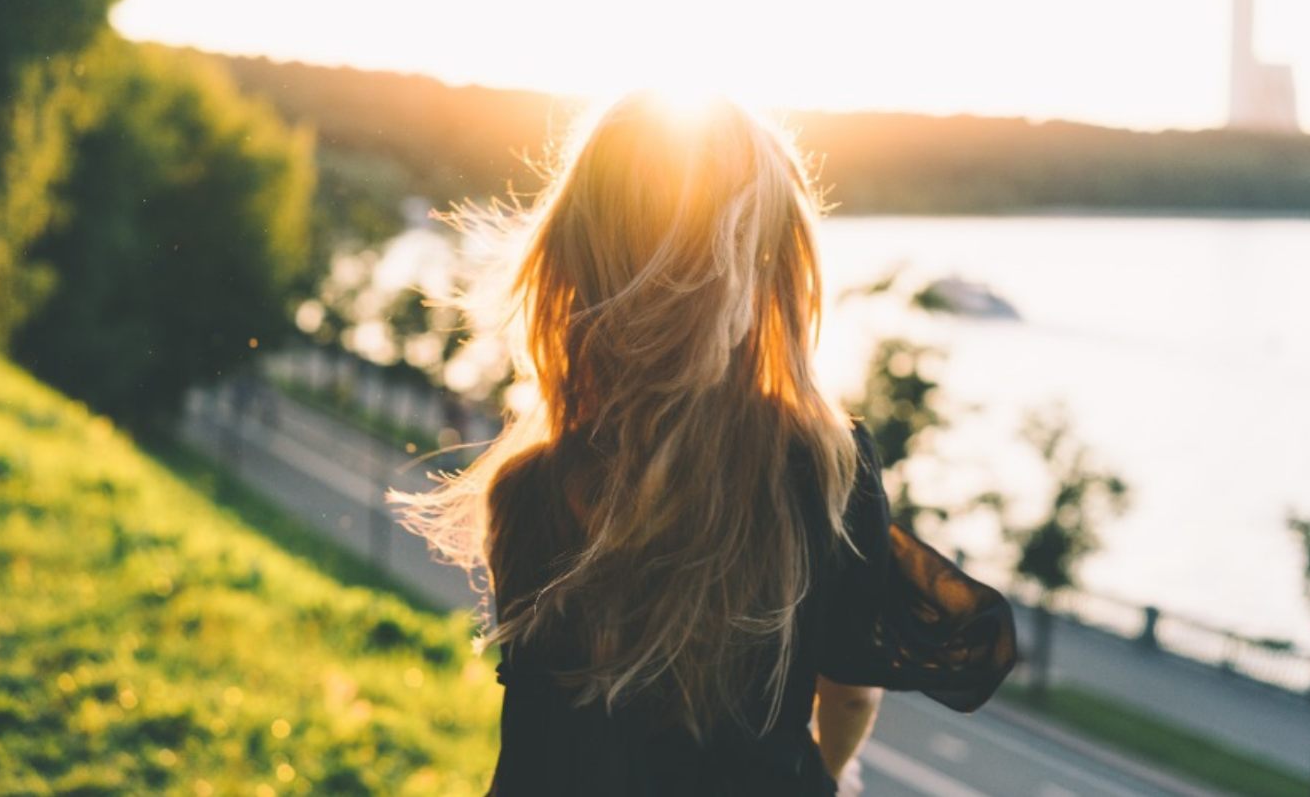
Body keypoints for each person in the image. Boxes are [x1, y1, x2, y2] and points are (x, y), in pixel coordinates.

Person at [390, 92, 1015, 795]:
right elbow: (850, 691)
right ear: (772, 273)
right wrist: (832, 772)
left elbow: (561, 724)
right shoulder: (823, 472)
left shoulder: (524, 487)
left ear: (574, 258)